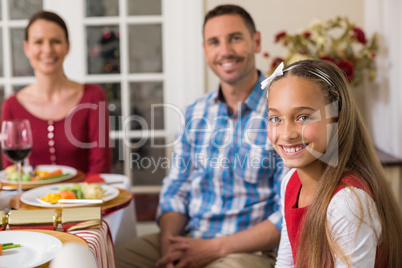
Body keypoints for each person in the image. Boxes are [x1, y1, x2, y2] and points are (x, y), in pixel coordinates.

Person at [115, 4, 284, 268]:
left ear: (256, 41)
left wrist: (213, 248)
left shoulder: (282, 113)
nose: (225, 51)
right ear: (206, 50)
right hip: (188, 238)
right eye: (214, 42)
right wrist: (169, 246)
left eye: (235, 38)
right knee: (103, 259)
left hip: (249, 251)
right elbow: (176, 190)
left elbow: (287, 214)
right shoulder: (195, 113)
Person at [263, 59, 402, 267]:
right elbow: (286, 262)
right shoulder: (290, 182)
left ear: (337, 119)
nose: (286, 134)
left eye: (303, 117)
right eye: (276, 119)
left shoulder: (347, 202)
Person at [1, 10, 111, 174]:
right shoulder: (11, 106)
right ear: (27, 48)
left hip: (83, 199)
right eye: (38, 42)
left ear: (67, 46)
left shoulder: (94, 97)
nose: (47, 50)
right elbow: (12, 174)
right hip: (29, 199)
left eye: (56, 41)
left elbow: (100, 166)